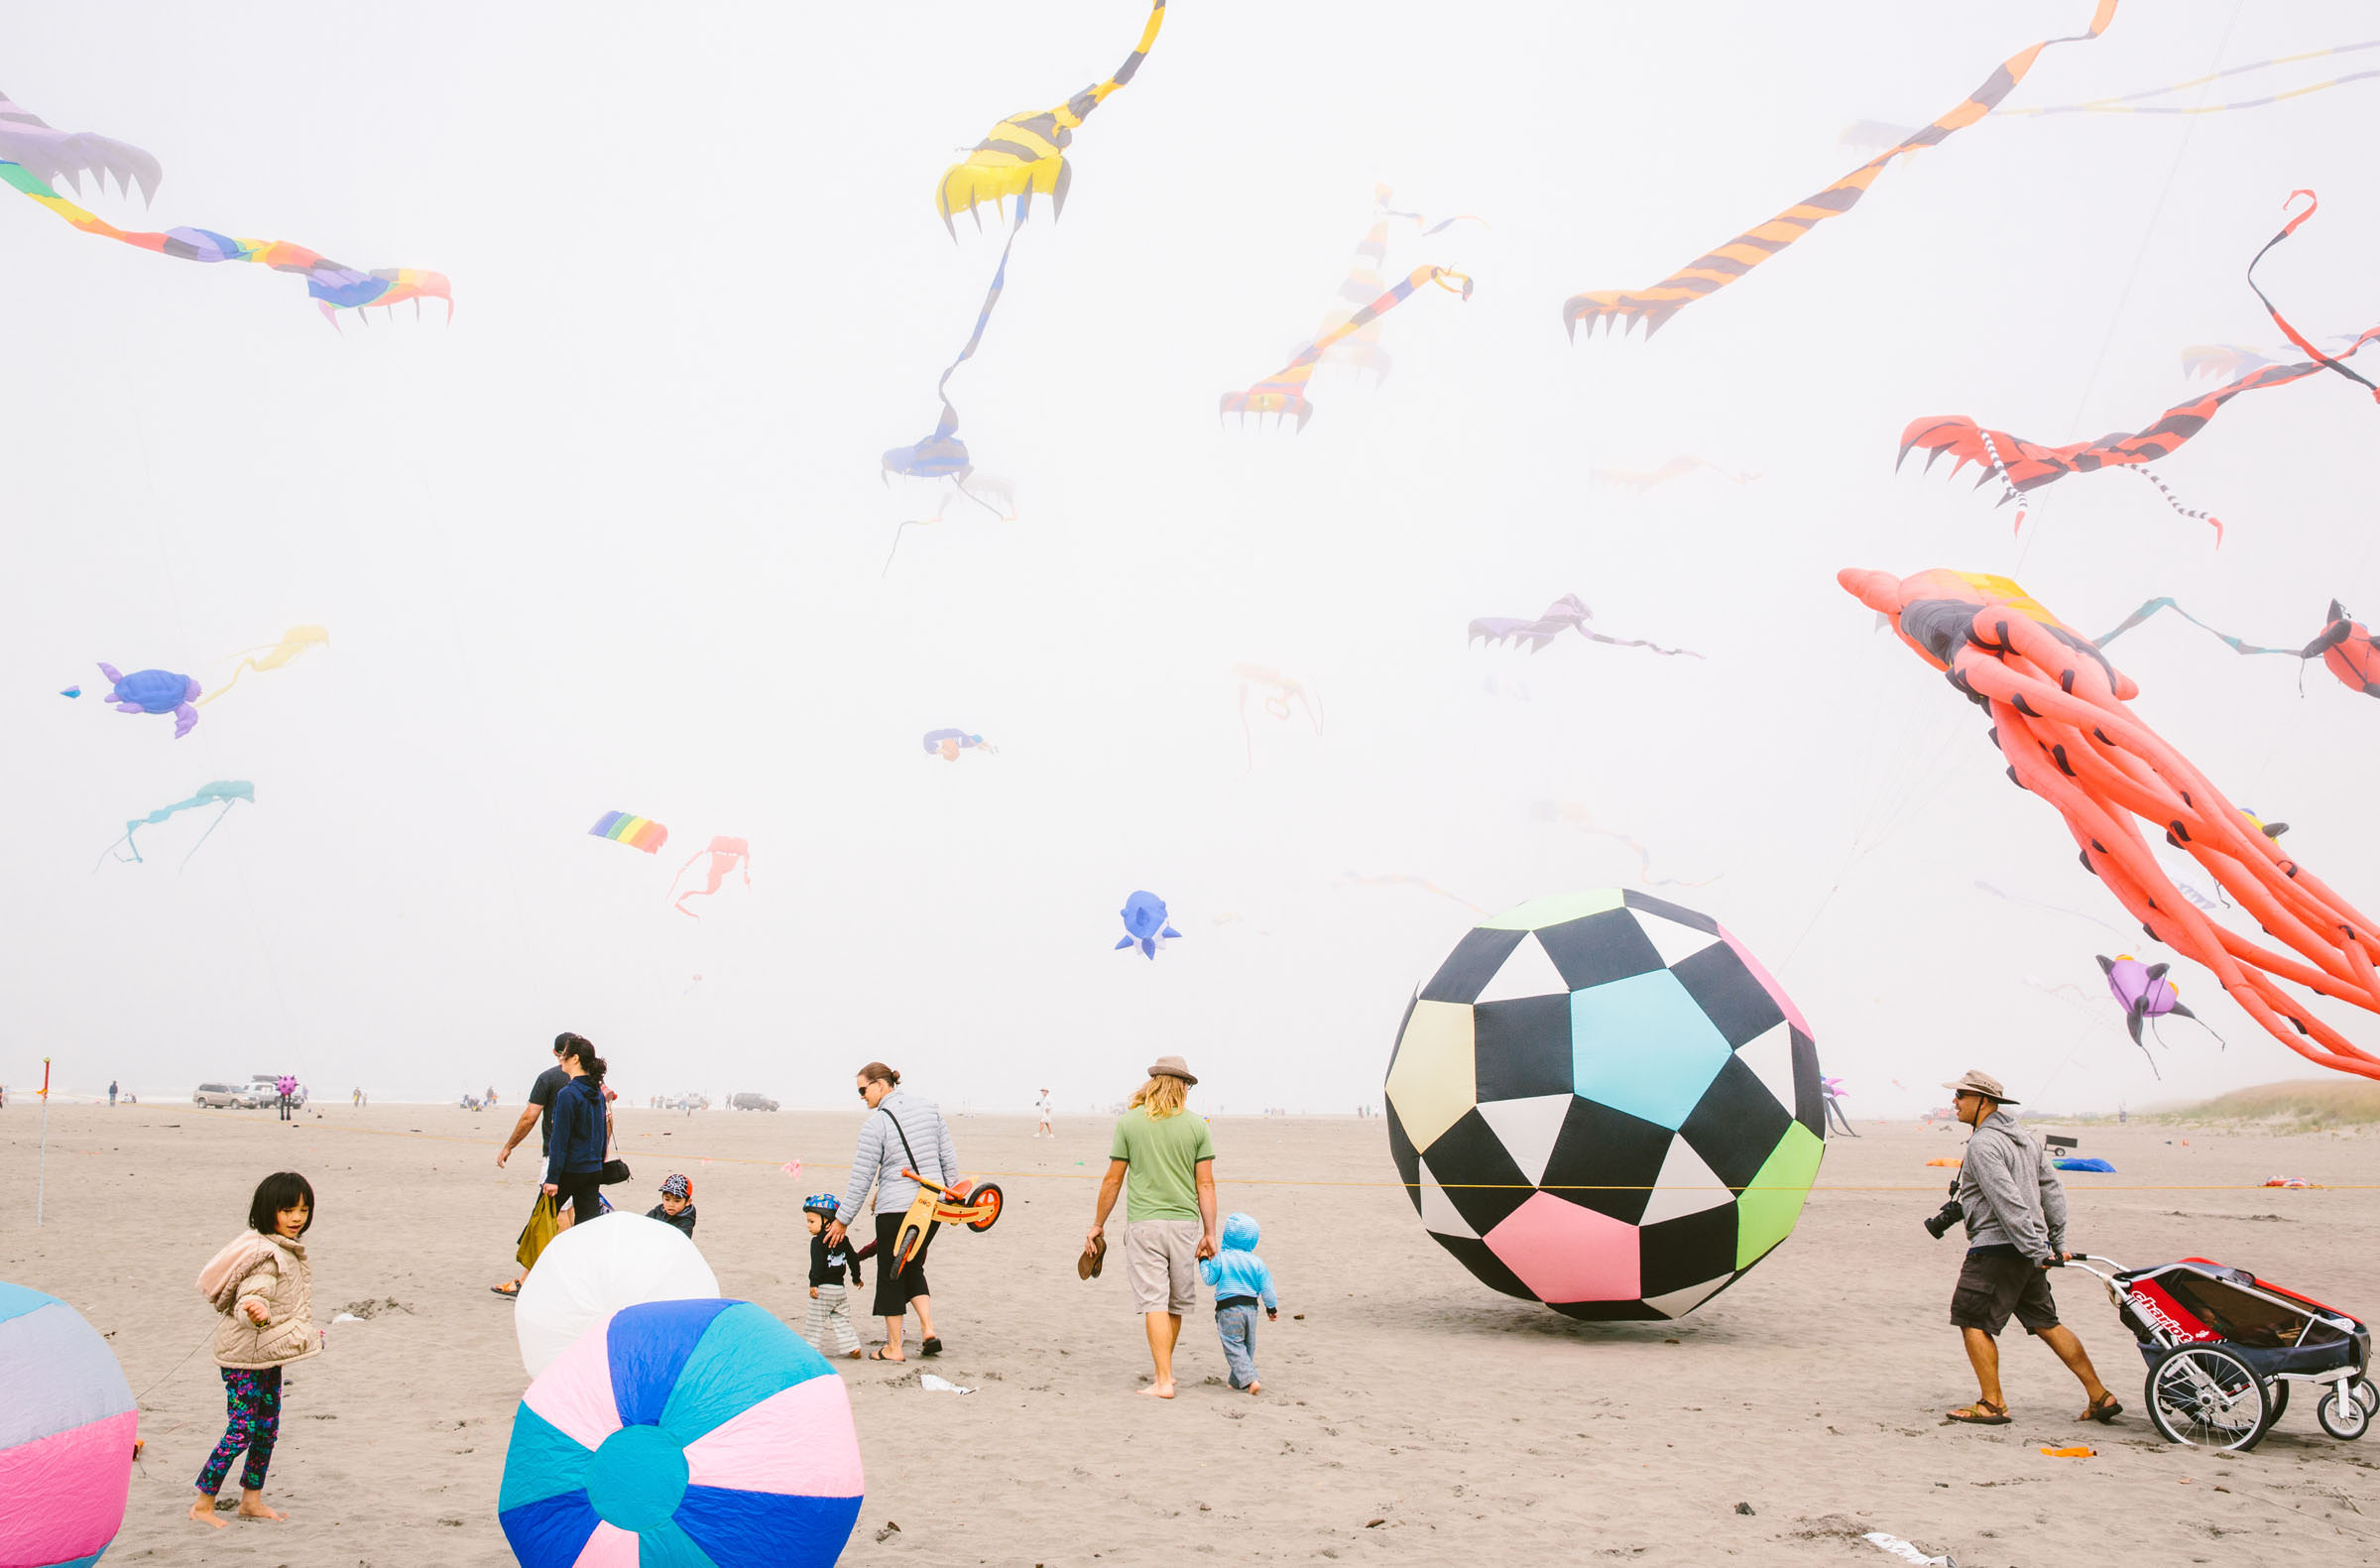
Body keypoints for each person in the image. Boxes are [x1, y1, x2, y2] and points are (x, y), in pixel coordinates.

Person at [1939, 1069, 2121, 1426]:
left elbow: (2008, 1202)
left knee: (1972, 1319)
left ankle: (1992, 1404)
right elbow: (2053, 1190)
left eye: (1962, 1095)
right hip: (2028, 1247)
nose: (1955, 1101)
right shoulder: (2024, 1138)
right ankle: (2100, 1396)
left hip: (1998, 1249)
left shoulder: (1983, 1144)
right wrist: (2053, 1241)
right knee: (2045, 1323)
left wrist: (2041, 1249)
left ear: (1984, 1102)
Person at [189, 1171, 318, 1529]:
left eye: (303, 1209)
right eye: (287, 1209)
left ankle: (251, 1500)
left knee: (266, 1429)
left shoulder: (283, 1248)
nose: (296, 1218)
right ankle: (203, 1503)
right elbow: (252, 1295)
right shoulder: (265, 1255)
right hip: (243, 1359)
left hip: (266, 1357)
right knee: (241, 1430)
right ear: (267, 1210)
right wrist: (255, 1312)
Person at [1086, 1055, 1218, 1400]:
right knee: (1173, 1305)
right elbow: (1205, 1184)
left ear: (1154, 1083)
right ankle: (1165, 1374)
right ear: (1183, 1086)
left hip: (1145, 1226)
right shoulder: (1197, 1126)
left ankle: (1163, 1379)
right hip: (1185, 1226)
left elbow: (1113, 1180)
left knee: (1155, 1302)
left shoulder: (1130, 1123)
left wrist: (1097, 1225)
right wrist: (1210, 1232)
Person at [826, 1061, 959, 1362]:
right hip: (932, 1206)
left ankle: (894, 1348)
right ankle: (928, 1330)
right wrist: (953, 1197)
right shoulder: (929, 1108)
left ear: (880, 1084)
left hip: (896, 1209)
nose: (861, 1096)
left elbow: (861, 1178)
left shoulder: (876, 1123)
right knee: (912, 1266)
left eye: (863, 1089)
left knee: (890, 1273)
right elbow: (948, 1158)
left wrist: (842, 1220)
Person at [1199, 1210, 1278, 1395]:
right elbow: (1267, 1288)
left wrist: (1203, 1260)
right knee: (1247, 1345)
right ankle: (1236, 1382)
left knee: (1233, 1344)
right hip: (1251, 1309)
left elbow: (1209, 1279)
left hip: (1228, 1308)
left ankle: (1250, 1379)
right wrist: (1271, 1307)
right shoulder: (1257, 1263)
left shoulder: (1222, 1258)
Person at [542, 1037, 609, 1230]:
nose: (561, 1058)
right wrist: (599, 1164)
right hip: (593, 1170)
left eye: (564, 1054)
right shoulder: (597, 1091)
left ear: (575, 1058)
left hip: (571, 1171)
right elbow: (602, 1134)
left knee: (539, 1222)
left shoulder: (567, 1094)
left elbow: (559, 1139)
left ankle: (541, 1259)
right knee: (586, 1229)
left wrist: (553, 1179)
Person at [802, 1193, 876, 1359]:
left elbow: (817, 1264)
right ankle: (853, 1346)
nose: (808, 1225)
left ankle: (809, 1350)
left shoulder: (817, 1242)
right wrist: (856, 1278)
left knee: (814, 1321)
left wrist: (813, 1283)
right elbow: (854, 1259)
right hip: (839, 1291)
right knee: (841, 1319)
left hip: (823, 1290)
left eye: (811, 1221)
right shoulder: (844, 1239)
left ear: (827, 1222)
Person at [648, 1173, 697, 1238]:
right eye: (667, 1199)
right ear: (662, 1198)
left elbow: (680, 1241)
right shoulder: (657, 1212)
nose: (671, 1204)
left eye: (677, 1201)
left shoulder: (686, 1222)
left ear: (688, 1202)